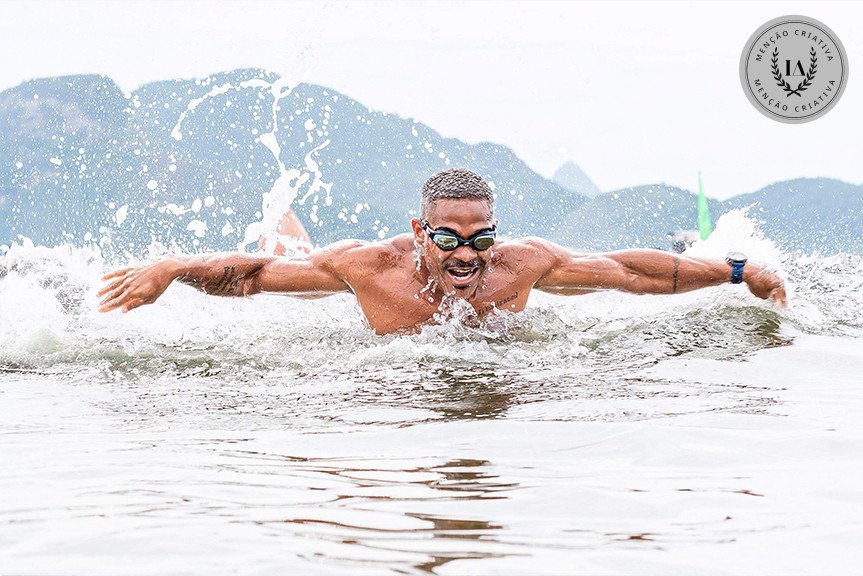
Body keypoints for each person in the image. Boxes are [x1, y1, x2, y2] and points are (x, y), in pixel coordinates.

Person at [98, 168, 787, 335]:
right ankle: (286, 222)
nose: (468, 252)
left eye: (481, 234)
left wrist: (735, 269)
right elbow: (251, 278)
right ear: (420, 231)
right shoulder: (372, 265)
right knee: (307, 274)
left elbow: (630, 272)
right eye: (450, 236)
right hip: (338, 280)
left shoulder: (521, 263)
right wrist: (168, 268)